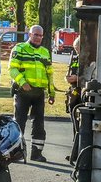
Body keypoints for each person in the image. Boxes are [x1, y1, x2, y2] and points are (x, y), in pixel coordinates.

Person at [9, 25, 55, 161]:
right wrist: (23, 83)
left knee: (39, 124)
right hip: (23, 92)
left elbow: (50, 74)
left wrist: (52, 93)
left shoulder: (45, 52)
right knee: (19, 123)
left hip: (38, 93)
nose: (38, 38)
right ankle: (16, 153)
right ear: (30, 35)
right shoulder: (19, 49)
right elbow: (12, 69)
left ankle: (36, 154)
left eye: (41, 35)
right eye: (36, 35)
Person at [65, 37, 81, 164]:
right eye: (75, 49)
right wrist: (68, 77)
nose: (76, 51)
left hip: (82, 94)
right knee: (74, 126)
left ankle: (78, 153)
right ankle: (74, 153)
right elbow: (70, 71)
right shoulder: (75, 57)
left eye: (78, 48)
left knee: (80, 127)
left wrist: (78, 78)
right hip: (73, 93)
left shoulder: (90, 58)